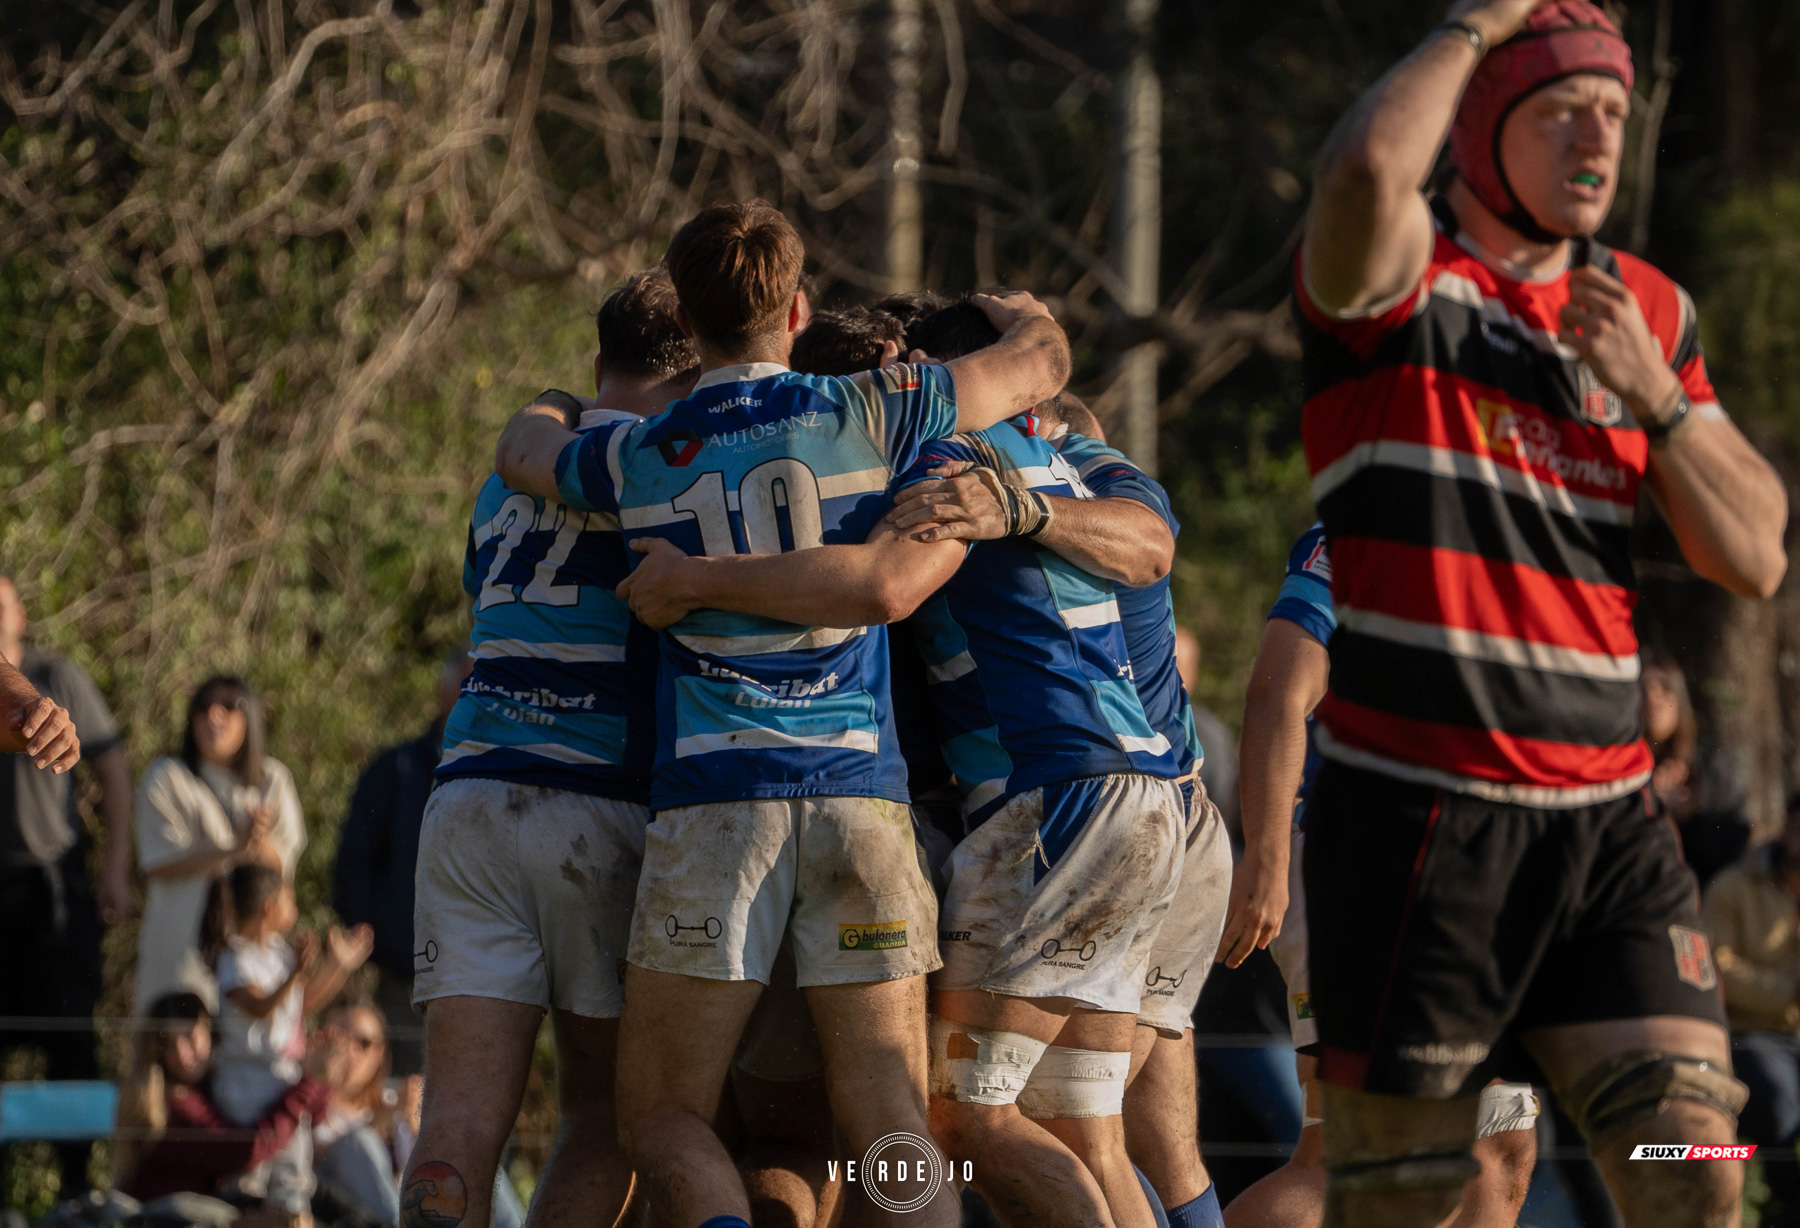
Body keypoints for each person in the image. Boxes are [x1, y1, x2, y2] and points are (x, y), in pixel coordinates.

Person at [1296, 0, 1787, 1219]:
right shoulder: (1404, 282)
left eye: (1614, 110)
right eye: (1563, 105)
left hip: (1608, 832)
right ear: (1479, 126)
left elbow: (1758, 555)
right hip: (1417, 827)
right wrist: (1474, 23)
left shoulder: (1646, 312)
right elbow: (1363, 168)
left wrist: (1658, 404)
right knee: (1419, 1199)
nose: (1599, 136)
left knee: (1700, 1165)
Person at [495, 203, 1069, 1228]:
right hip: (862, 804)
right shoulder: (877, 407)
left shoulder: (642, 453)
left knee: (664, 1116)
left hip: (715, 812)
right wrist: (1021, 315)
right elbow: (1041, 362)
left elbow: (525, 457)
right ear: (798, 312)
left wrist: (550, 399)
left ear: (692, 321)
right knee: (889, 1117)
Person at [608, 296, 1173, 1228]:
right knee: (926, 1133)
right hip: (940, 827)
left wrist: (694, 574)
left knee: (782, 1135)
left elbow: (887, 584)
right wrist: (1031, 338)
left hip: (792, 820)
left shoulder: (915, 468)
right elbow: (1077, 439)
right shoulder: (980, 452)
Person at [884, 378, 1235, 1228]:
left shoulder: (953, 470)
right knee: (1094, 1129)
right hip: (1171, 810)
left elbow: (884, 591)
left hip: (1071, 807)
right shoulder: (1103, 485)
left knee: (968, 1121)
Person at [400, 266, 698, 1228]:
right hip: (596, 803)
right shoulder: (670, 458)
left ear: (598, 354)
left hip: (471, 796)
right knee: (605, 1118)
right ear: (692, 364)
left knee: (452, 1128)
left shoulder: (505, 476)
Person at [1226, 524, 1537, 1228]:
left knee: (1500, 1143)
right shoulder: (1368, 523)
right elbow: (1279, 689)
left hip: (1470, 869)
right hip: (1367, 864)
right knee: (1344, 1155)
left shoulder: (1519, 534)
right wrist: (1266, 861)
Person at [0, 575, 125, 1194]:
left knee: (71, 1043)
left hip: (52, 886)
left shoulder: (57, 675)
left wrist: (116, 867)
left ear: (20, 613)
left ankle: (79, 1193)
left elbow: (114, 767)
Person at [334, 654, 473, 1075]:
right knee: (407, 1102)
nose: (476, 696)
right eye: (467, 684)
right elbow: (352, 868)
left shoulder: (510, 773)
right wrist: (388, 943)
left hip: (483, 979)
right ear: (443, 690)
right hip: (403, 980)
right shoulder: (397, 770)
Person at [135, 676, 307, 1012]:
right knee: (167, 1051)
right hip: (179, 951)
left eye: (229, 706)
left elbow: (281, 873)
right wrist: (234, 848)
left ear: (251, 718)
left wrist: (258, 840)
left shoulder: (273, 780)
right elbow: (158, 862)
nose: (213, 716)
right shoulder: (167, 776)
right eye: (202, 707)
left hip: (250, 962)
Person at [114, 990, 348, 1208]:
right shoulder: (174, 1103)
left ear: (211, 1034)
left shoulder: (216, 1085)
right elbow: (246, 1152)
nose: (182, 1054)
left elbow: (313, 1121)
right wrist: (309, 1082)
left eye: (189, 1037)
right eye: (168, 1044)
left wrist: (320, 1076)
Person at [209, 863, 372, 1125]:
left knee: (293, 1161)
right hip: (246, 1087)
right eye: (289, 898)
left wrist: (338, 966)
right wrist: (295, 973)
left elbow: (301, 1003)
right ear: (269, 908)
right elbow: (259, 1007)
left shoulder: (278, 952)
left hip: (283, 1078)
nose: (294, 905)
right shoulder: (235, 958)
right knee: (256, 1161)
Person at [1703, 800, 1800, 1225]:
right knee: (1781, 1102)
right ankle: (1786, 1208)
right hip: (1750, 1034)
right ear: (1786, 829)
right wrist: (1788, 991)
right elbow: (1715, 965)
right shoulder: (1733, 887)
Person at [1642, 652, 1747, 890]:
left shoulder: (1711, 770)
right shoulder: (1620, 770)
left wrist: (1690, 818)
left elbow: (1732, 852)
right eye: (1643, 689)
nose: (1653, 698)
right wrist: (1651, 805)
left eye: (1664, 688)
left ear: (1680, 698)